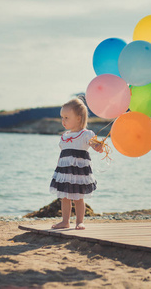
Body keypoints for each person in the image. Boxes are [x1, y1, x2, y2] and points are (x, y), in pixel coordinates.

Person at [49, 97, 103, 230]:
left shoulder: (85, 134)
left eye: (66, 117)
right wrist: (58, 171)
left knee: (79, 197)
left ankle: (79, 221)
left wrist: (97, 146)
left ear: (79, 118)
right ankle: (65, 221)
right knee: (65, 197)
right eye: (62, 117)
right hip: (64, 172)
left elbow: (93, 143)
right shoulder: (65, 136)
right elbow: (62, 156)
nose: (63, 121)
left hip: (79, 172)